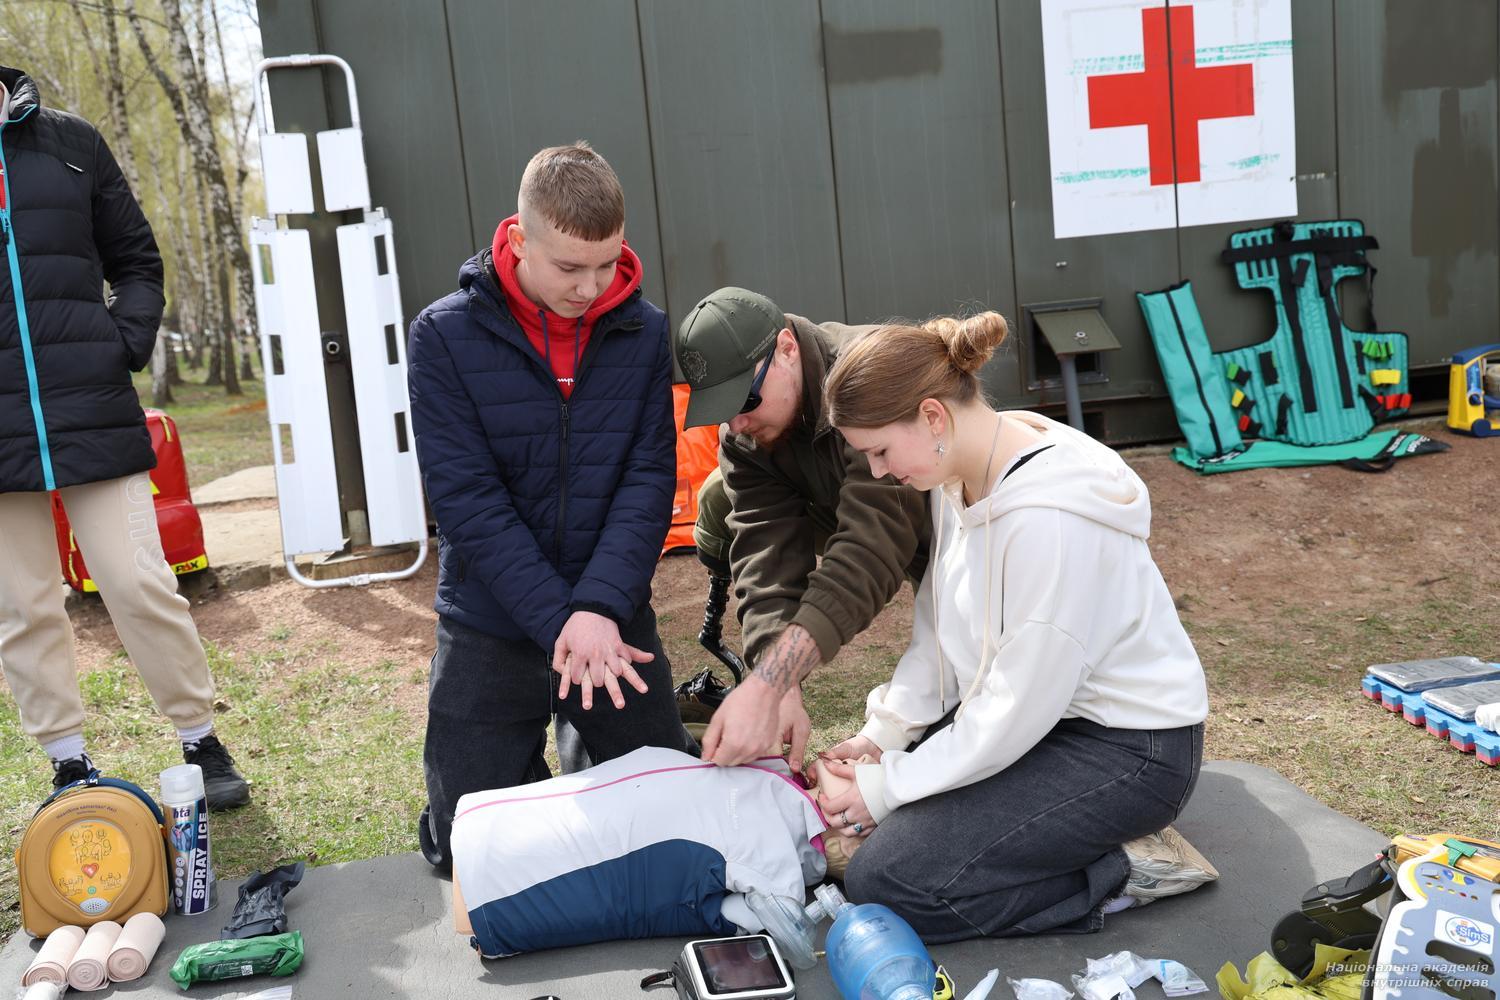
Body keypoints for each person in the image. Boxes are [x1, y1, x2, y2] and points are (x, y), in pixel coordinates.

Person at [811, 312, 1209, 941]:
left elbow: (1016, 705)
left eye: (880, 451)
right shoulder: (960, 474)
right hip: (1044, 720)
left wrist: (887, 788)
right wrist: (885, 738)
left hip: (1130, 750)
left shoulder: (1049, 522)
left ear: (933, 417)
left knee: (887, 881)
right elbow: (938, 633)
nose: (879, 471)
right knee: (885, 817)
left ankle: (1122, 868)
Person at [407, 141, 696, 871]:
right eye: (569, 267)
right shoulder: (443, 334)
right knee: (467, 850)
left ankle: (587, 747)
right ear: (519, 238)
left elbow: (647, 477)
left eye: (607, 264)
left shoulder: (644, 330)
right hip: (492, 617)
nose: (590, 287)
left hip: (610, 615)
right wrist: (559, 621)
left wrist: (597, 608)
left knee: (668, 821)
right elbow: (466, 498)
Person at [0, 66, 250, 809]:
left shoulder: (71, 144)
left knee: (139, 581)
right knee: (24, 606)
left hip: (92, 405)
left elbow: (136, 259)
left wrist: (122, 343)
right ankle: (68, 762)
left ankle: (199, 737)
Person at [673, 288, 930, 770]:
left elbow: (869, 549)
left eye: (746, 398)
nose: (737, 422)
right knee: (716, 493)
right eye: (722, 408)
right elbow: (765, 556)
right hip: (895, 536)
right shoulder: (745, 436)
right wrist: (781, 680)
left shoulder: (870, 376)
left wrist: (770, 681)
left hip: (965, 535)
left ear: (787, 348)